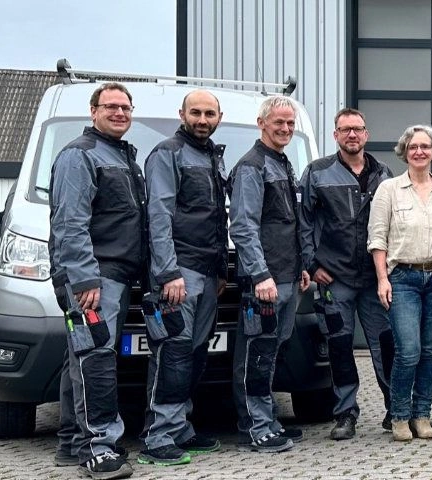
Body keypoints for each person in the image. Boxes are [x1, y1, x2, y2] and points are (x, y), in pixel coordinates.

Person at [49, 82, 143, 479]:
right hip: (95, 275)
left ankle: (72, 442)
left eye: (125, 107)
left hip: (112, 274)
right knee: (97, 360)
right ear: (93, 111)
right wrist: (85, 277)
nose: (119, 113)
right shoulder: (80, 155)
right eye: (111, 106)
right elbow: (70, 222)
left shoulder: (120, 155)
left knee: (82, 356)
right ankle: (99, 449)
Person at [138, 89, 229, 466]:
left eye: (209, 114)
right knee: (173, 352)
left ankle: (180, 427)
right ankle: (157, 435)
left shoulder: (212, 156)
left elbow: (216, 218)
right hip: (181, 270)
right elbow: (159, 216)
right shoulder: (167, 153)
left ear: (219, 118)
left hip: (207, 272)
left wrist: (221, 270)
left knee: (194, 353)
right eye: (196, 113)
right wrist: (168, 272)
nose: (202, 120)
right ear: (182, 114)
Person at [298, 108, 395, 440]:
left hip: (373, 278)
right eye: (345, 129)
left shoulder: (383, 174)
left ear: (366, 134)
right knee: (339, 347)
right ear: (335, 135)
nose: (352, 135)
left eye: (357, 129)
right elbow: (303, 222)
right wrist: (312, 264)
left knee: (386, 345)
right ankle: (345, 413)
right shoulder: (317, 173)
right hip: (334, 278)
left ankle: (395, 409)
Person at [229, 95, 311, 453]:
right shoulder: (252, 166)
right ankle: (255, 426)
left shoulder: (281, 162)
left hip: (287, 275)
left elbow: (287, 223)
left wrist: (301, 267)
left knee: (272, 349)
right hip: (265, 280)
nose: (286, 128)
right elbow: (243, 227)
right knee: (256, 352)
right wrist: (259, 274)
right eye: (279, 122)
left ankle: (268, 419)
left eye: (290, 123)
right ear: (261, 123)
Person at [368, 125, 432, 442]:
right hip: (402, 278)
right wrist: (382, 279)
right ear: (404, 151)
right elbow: (377, 238)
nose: (419, 151)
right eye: (414, 146)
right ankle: (399, 416)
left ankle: (422, 415)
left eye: (425, 147)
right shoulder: (389, 190)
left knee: (430, 351)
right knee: (408, 350)